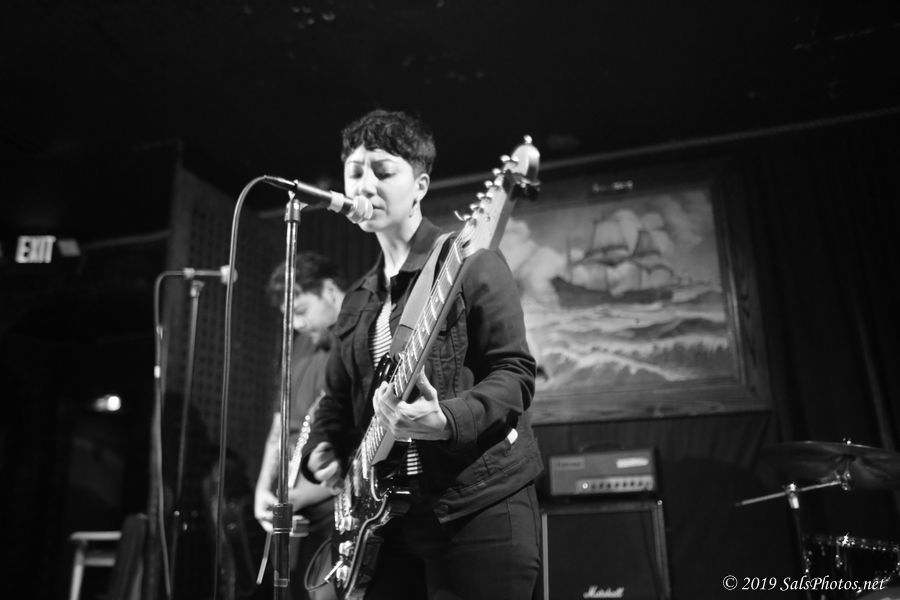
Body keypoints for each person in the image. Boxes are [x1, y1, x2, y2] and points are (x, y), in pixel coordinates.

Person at [300, 109, 543, 599]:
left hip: (475, 506)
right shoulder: (357, 299)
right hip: (387, 523)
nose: (365, 184)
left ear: (420, 185)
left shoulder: (471, 260)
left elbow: (515, 373)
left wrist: (446, 420)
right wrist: (319, 449)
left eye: (383, 171)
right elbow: (334, 400)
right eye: (355, 172)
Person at [254, 252, 346, 600]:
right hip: (294, 511)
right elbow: (279, 428)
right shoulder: (300, 346)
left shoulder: (357, 340)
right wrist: (263, 490)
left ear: (330, 291)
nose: (295, 324)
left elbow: (371, 436)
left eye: (301, 310)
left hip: (336, 509)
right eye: (288, 316)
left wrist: (308, 494)